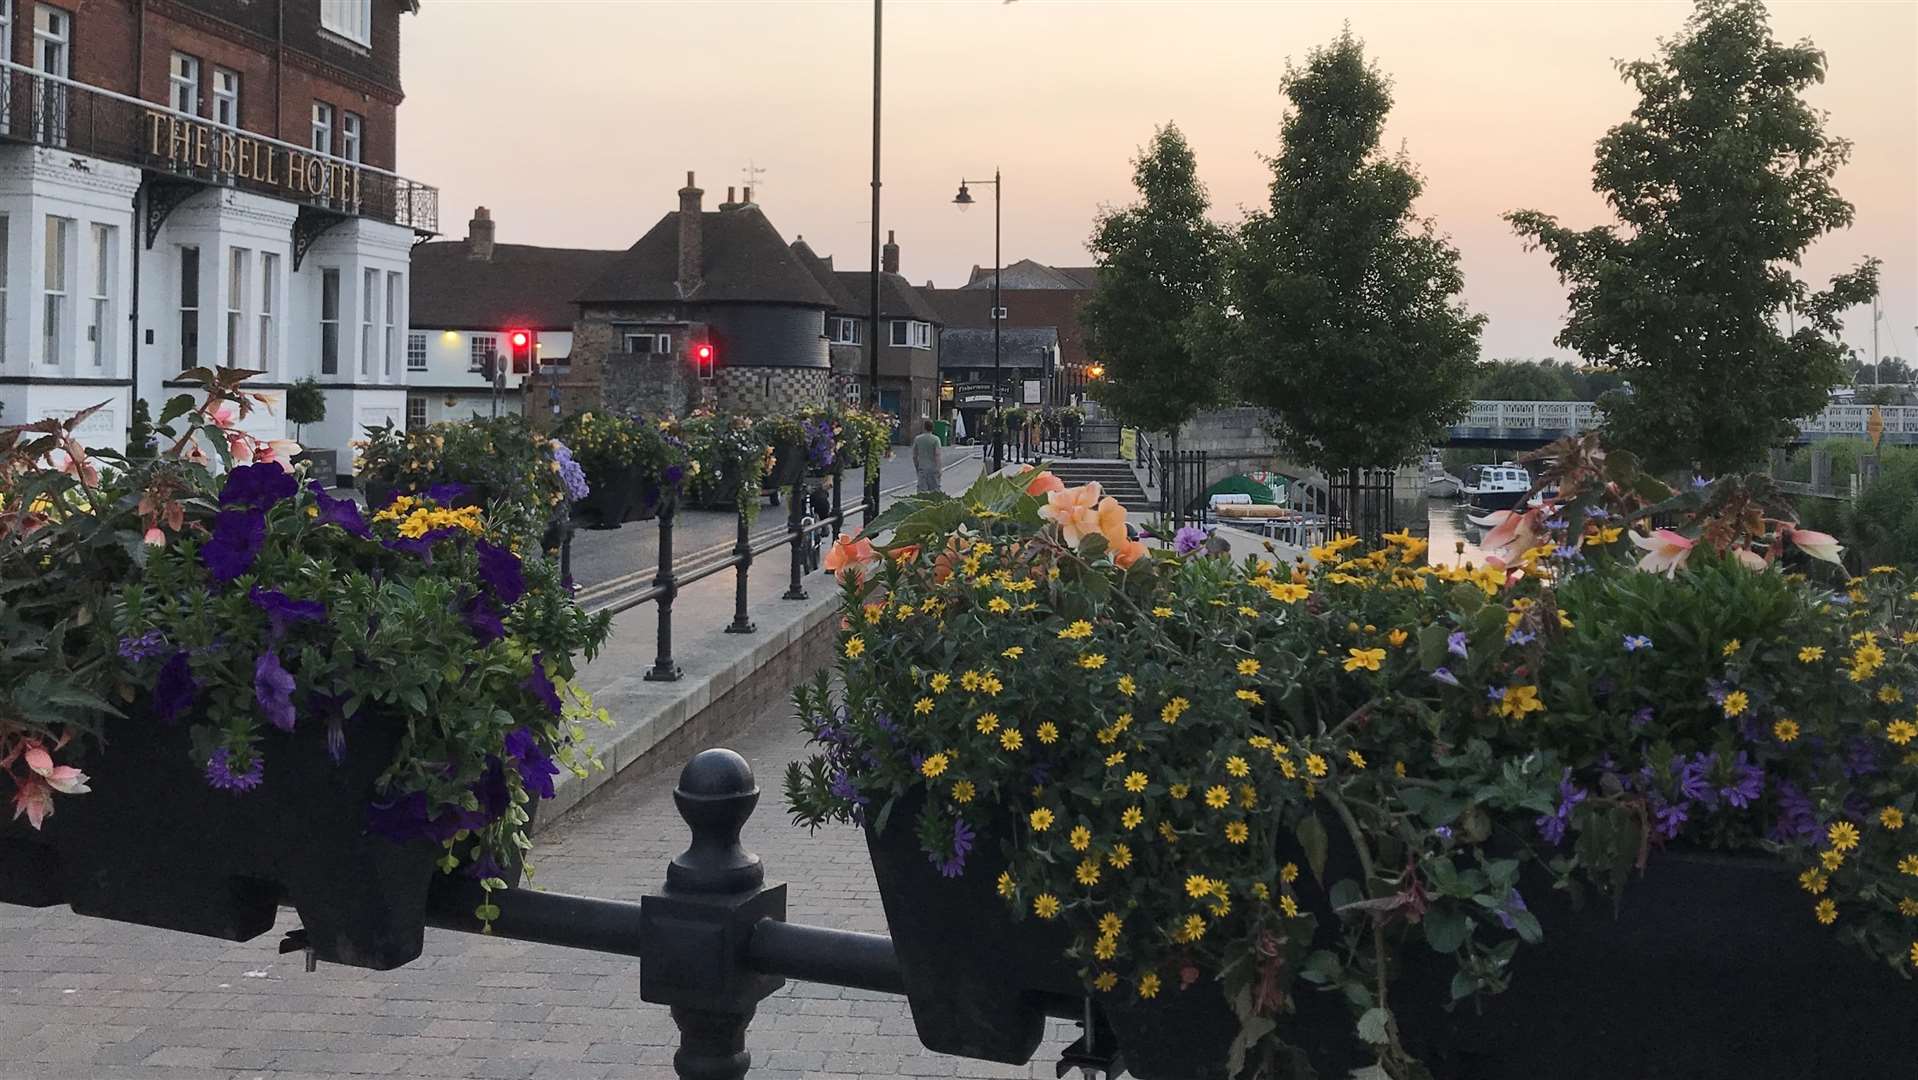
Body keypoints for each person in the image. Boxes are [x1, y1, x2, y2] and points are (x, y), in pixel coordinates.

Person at [912, 418, 942, 494]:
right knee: (935, 493)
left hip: (922, 469)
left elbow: (914, 456)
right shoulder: (936, 439)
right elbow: (937, 455)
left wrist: (917, 467)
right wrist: (939, 469)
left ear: (924, 427)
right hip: (933, 470)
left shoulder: (918, 439)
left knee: (921, 494)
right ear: (933, 428)